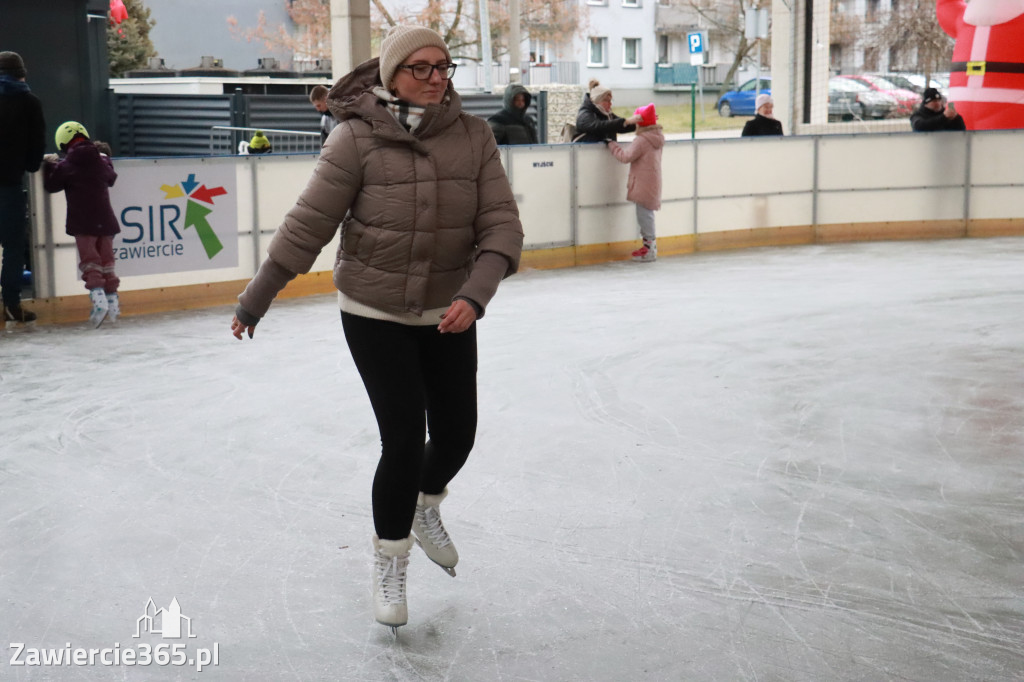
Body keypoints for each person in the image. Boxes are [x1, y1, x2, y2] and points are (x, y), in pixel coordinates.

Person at [229, 25, 523, 633]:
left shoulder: (473, 136)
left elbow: (502, 226)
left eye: (445, 67)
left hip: (448, 311)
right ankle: (390, 559)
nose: (437, 77)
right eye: (422, 67)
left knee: (458, 434)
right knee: (402, 437)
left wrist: (476, 292)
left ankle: (425, 502)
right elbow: (305, 227)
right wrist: (255, 300)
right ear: (392, 76)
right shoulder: (354, 140)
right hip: (374, 312)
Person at [42, 121, 121, 328]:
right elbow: (111, 177)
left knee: (91, 262)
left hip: (83, 222)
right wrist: (106, 158)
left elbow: (51, 185)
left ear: (62, 143)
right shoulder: (100, 161)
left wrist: (50, 164)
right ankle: (113, 303)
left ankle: (99, 302)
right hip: (106, 220)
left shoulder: (66, 165)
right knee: (107, 261)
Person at [0, 51, 45, 324]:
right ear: (21, 73)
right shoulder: (29, 102)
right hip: (8, 187)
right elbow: (35, 151)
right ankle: (12, 305)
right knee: (14, 248)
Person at [607, 103, 664, 263]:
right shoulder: (657, 137)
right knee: (646, 214)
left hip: (642, 183)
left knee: (644, 215)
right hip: (652, 181)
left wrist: (611, 145)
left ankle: (649, 248)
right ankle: (649, 246)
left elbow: (625, 157)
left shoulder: (642, 140)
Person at [575, 79, 640, 143]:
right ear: (597, 101)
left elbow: (620, 126)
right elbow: (598, 126)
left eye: (610, 101)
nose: (610, 104)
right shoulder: (584, 114)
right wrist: (626, 121)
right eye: (607, 101)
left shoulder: (607, 114)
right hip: (587, 152)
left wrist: (639, 125)